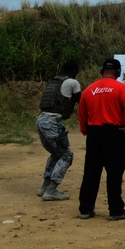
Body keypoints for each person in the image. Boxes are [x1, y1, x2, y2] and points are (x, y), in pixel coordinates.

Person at [77, 58, 125, 221]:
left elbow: (82, 114)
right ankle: (116, 209)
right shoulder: (121, 88)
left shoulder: (89, 90)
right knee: (114, 172)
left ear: (101, 70)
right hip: (113, 133)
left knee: (91, 172)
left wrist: (85, 130)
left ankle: (85, 209)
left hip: (93, 134)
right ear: (118, 73)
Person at [35, 61, 83, 201]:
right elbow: (82, 101)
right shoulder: (72, 82)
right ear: (74, 71)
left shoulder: (54, 81)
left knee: (57, 154)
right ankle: (51, 190)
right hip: (52, 122)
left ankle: (44, 187)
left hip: (41, 120)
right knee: (66, 155)